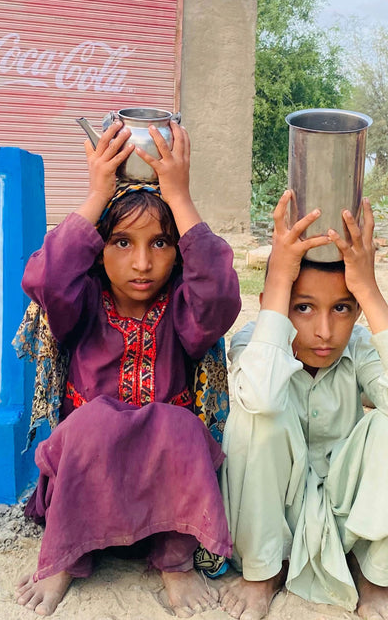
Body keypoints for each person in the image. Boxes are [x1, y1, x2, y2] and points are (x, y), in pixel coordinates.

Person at [14, 119, 241, 617]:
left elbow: (220, 298)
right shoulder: (82, 301)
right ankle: (63, 561)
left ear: (177, 252)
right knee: (94, 421)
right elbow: (48, 278)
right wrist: (98, 193)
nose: (142, 263)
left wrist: (179, 197)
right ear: (98, 249)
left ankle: (175, 563)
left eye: (160, 243)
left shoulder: (183, 307)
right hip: (87, 482)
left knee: (179, 427)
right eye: (122, 242)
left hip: (164, 489)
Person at [220, 192, 388, 620]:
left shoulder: (359, 347)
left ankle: (373, 576)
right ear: (278, 301)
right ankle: (262, 572)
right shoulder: (256, 341)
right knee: (257, 416)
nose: (324, 331)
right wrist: (279, 284)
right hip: (276, 514)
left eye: (342, 308)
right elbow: (262, 397)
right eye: (303, 307)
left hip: (348, 514)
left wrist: (370, 290)